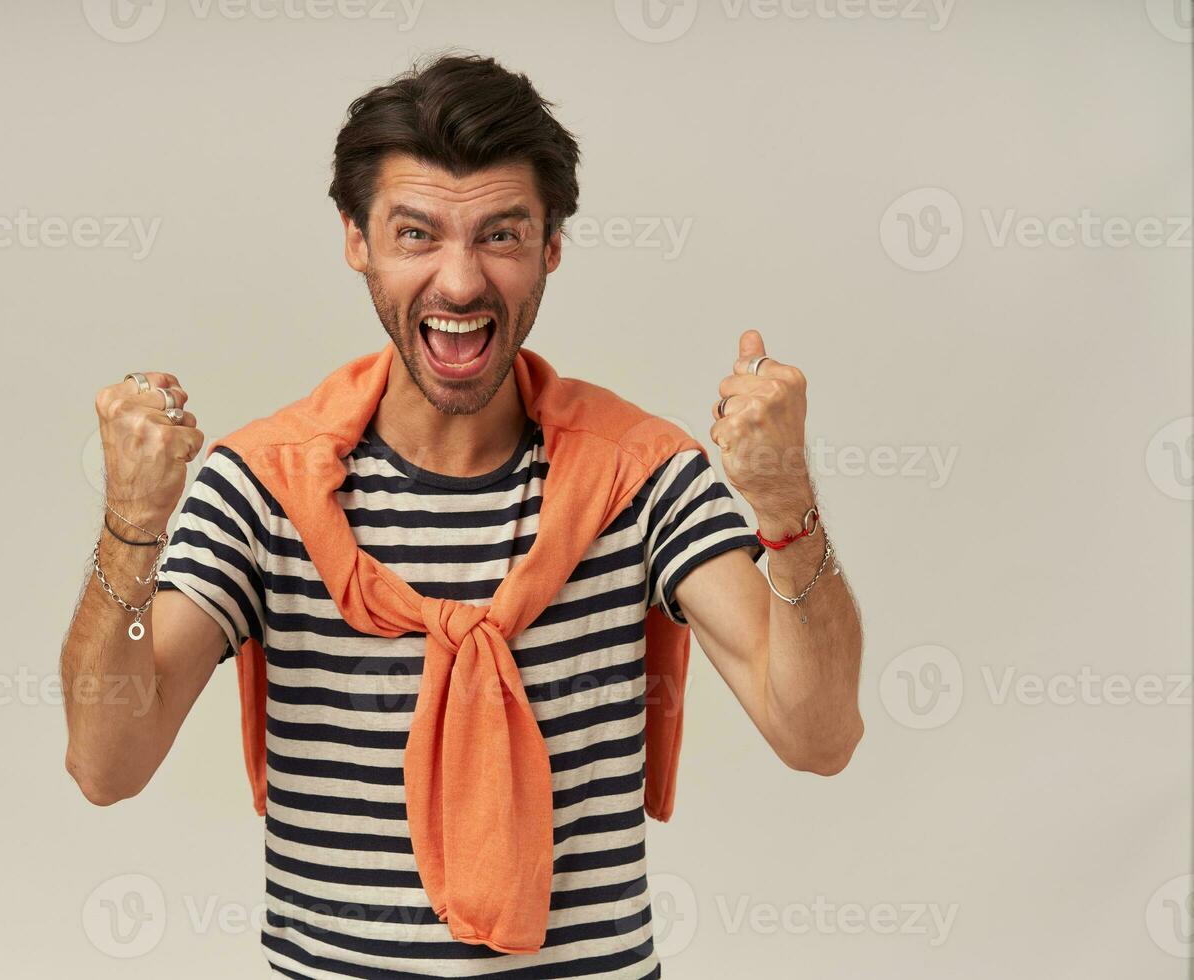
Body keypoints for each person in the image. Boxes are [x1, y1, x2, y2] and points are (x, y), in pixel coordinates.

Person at [60, 52, 863, 979]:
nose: (459, 283)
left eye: (501, 235)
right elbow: (105, 766)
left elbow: (820, 736)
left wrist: (785, 500)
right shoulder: (261, 487)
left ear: (551, 246)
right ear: (356, 239)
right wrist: (131, 522)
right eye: (415, 234)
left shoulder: (641, 477)